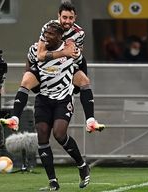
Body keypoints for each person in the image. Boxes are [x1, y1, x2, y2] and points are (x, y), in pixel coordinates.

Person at [0, 22, 90, 190]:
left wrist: (77, 86)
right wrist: (34, 83)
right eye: (45, 33)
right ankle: (53, 181)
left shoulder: (71, 49)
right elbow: (29, 68)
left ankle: (82, 165)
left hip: (63, 98)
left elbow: (82, 66)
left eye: (51, 34)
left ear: (60, 37)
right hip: (43, 99)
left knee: (59, 134)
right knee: (42, 136)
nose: (46, 36)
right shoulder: (36, 49)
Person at [10, 1, 105, 133]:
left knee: (84, 81)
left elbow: (77, 54)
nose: (67, 21)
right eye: (64, 17)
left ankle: (90, 121)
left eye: (71, 18)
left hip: (65, 67)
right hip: (46, 66)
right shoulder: (49, 28)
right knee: (26, 80)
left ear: (75, 18)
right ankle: (14, 118)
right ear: (58, 16)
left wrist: (73, 54)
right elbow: (40, 55)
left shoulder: (79, 33)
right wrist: (63, 52)